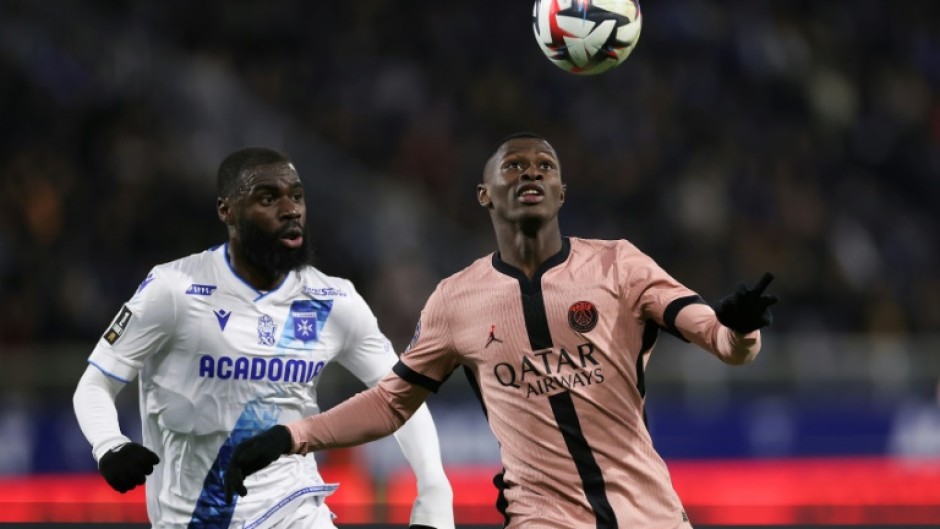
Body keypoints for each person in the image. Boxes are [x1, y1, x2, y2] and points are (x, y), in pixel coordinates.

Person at [224, 133, 778, 528]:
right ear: (485, 193)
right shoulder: (455, 300)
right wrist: (293, 435)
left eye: (544, 165)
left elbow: (723, 343)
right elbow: (392, 402)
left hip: (651, 515)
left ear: (561, 193)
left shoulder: (620, 266)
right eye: (513, 166)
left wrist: (741, 328)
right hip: (541, 518)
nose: (531, 171)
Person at [72, 147, 454, 529]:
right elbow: (95, 382)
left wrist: (435, 488)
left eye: (298, 196)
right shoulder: (174, 289)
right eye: (269, 198)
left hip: (295, 511)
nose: (291, 210)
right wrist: (110, 444)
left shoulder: (334, 300)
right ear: (227, 211)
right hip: (191, 518)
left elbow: (400, 397)